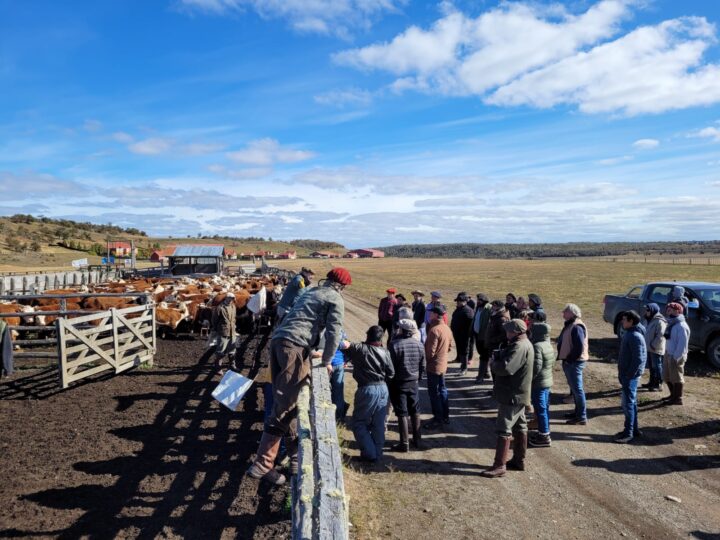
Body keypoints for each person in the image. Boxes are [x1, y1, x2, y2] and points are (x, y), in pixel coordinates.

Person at [247, 267, 351, 485]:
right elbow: (334, 332)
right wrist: (327, 360)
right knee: (285, 404)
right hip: (294, 346)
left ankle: (295, 457)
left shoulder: (312, 290)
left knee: (291, 401)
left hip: (280, 342)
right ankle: (263, 464)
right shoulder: (335, 298)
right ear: (341, 286)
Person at [481, 319, 534, 478]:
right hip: (519, 393)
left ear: (515, 332)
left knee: (503, 429)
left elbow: (506, 368)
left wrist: (494, 363)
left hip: (512, 395)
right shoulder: (525, 343)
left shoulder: (518, 346)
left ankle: (499, 465)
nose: (506, 333)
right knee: (520, 426)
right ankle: (519, 460)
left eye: (508, 331)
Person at [343, 325, 395, 462]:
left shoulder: (361, 349)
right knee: (378, 424)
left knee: (359, 422)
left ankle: (370, 454)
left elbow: (343, 344)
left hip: (367, 388)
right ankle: (377, 454)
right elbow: (391, 373)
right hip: (383, 388)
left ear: (367, 336)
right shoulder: (385, 352)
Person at [388, 319, 426, 452]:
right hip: (414, 382)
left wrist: (390, 381)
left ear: (401, 330)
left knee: (402, 413)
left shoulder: (394, 345)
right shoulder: (420, 345)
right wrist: (418, 378)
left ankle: (404, 443)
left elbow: (390, 367)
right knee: (415, 411)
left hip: (399, 383)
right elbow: (422, 365)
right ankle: (418, 440)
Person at [615, 310, 647, 443]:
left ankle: (628, 433)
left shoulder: (634, 336)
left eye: (624, 319)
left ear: (631, 321)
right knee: (631, 403)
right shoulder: (631, 334)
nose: (622, 321)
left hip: (630, 377)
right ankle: (634, 429)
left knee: (628, 404)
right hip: (628, 375)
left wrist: (629, 375)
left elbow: (638, 359)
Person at [558, 303, 589, 426]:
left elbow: (579, 347)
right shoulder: (571, 324)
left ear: (572, 313)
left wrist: (570, 359)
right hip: (571, 361)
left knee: (577, 390)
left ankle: (581, 416)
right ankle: (577, 413)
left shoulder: (576, 326)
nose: (563, 313)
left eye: (565, 311)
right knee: (576, 390)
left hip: (574, 362)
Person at [424, 305, 453, 430]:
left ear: (436, 315)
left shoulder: (434, 330)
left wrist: (426, 361)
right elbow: (450, 347)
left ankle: (438, 418)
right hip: (443, 365)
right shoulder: (446, 328)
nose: (429, 315)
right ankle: (445, 416)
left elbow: (430, 352)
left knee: (434, 393)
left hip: (434, 366)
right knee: (442, 390)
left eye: (431, 313)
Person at [528, 318, 555, 448]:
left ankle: (544, 435)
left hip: (538, 383)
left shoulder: (537, 346)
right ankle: (544, 430)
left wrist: (529, 379)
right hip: (547, 381)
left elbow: (536, 367)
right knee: (544, 408)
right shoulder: (547, 344)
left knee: (540, 409)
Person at [662, 302, 691, 406]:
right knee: (666, 376)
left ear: (678, 311)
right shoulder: (671, 323)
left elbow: (682, 344)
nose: (668, 311)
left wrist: (676, 357)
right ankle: (672, 395)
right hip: (668, 353)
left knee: (677, 377)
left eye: (671, 309)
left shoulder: (681, 326)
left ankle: (678, 398)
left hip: (676, 355)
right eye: (668, 309)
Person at [642, 303, 667, 392]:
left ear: (652, 310)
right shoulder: (648, 319)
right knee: (651, 366)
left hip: (655, 348)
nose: (646, 311)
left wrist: (653, 345)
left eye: (648, 310)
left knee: (657, 366)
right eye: (646, 310)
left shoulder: (660, 321)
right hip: (648, 347)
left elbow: (660, 335)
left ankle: (659, 384)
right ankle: (652, 382)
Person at [450, 292, 474, 376]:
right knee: (460, 351)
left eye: (459, 301)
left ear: (464, 301)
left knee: (464, 351)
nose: (458, 302)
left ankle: (464, 368)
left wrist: (467, 335)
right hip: (457, 334)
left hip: (464, 335)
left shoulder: (468, 310)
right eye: (457, 301)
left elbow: (470, 324)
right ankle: (462, 367)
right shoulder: (458, 309)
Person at [211, 292, 237, 369]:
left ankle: (232, 365)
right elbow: (214, 320)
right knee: (220, 349)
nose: (231, 300)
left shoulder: (233, 307)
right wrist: (216, 329)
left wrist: (234, 325)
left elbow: (234, 318)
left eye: (232, 298)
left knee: (232, 349)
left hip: (232, 331)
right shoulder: (220, 308)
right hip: (223, 331)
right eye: (229, 298)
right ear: (226, 298)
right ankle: (218, 366)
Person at [472, 294, 492, 383]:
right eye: (477, 300)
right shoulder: (478, 308)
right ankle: (486, 372)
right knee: (482, 354)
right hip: (477, 334)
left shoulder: (488, 309)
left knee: (483, 356)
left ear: (484, 301)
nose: (478, 301)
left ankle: (480, 377)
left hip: (484, 337)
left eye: (480, 300)